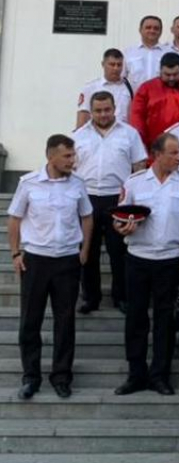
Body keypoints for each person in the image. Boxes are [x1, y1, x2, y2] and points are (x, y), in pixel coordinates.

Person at [7, 134, 94, 400]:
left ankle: (61, 376)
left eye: (73, 155)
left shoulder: (78, 184)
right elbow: (14, 219)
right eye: (67, 156)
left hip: (67, 260)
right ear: (50, 156)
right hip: (36, 260)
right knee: (30, 322)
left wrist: (85, 250)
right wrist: (15, 253)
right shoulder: (29, 183)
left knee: (65, 322)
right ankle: (30, 377)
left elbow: (87, 216)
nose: (72, 160)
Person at [113, 133, 179, 396]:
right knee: (136, 318)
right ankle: (135, 374)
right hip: (139, 258)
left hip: (171, 260)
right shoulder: (135, 182)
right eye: (173, 152)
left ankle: (160, 375)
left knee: (166, 320)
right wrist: (122, 228)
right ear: (157, 154)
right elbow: (119, 217)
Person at [73, 92, 147, 314]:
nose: (103, 114)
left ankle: (121, 297)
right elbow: (71, 169)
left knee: (118, 251)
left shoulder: (130, 134)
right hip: (87, 198)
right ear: (91, 111)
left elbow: (139, 166)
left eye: (107, 109)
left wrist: (135, 199)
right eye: (98, 110)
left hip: (118, 199)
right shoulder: (78, 136)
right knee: (88, 250)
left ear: (114, 108)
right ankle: (90, 297)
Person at [130, 52, 179, 151]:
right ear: (160, 71)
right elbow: (137, 117)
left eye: (175, 74)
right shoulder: (146, 89)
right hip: (155, 148)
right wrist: (140, 144)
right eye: (167, 74)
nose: (171, 78)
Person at [76, 48, 134, 128]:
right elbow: (83, 117)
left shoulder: (129, 88)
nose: (116, 68)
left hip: (122, 135)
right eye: (112, 64)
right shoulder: (91, 88)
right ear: (103, 64)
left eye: (119, 65)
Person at [124, 15, 169, 90]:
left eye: (156, 28)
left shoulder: (169, 53)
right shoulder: (128, 53)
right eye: (148, 27)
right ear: (140, 30)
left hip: (161, 99)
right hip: (136, 99)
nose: (152, 31)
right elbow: (121, 79)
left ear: (161, 31)